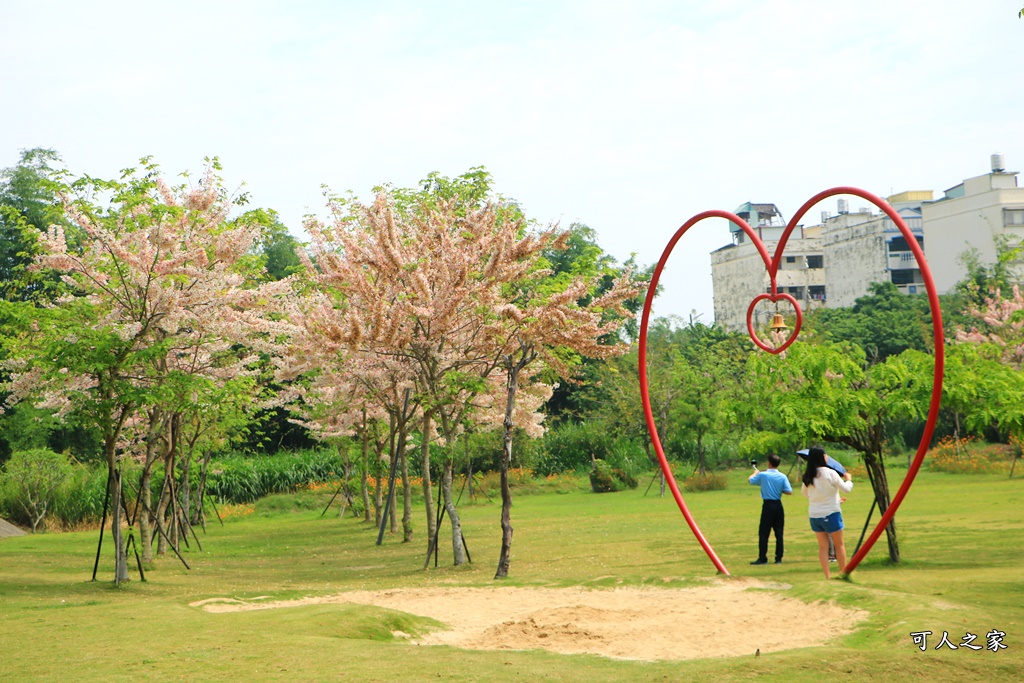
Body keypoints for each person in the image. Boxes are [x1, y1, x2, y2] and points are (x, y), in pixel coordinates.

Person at [800, 446, 854, 579]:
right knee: (839, 545)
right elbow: (846, 489)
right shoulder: (830, 473)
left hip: (814, 515)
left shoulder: (808, 475)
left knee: (823, 547)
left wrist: (834, 500)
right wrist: (849, 479)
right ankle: (843, 573)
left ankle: (827, 576)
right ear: (823, 457)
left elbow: (805, 494)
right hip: (831, 513)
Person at [748, 453, 792, 565]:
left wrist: (755, 472)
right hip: (778, 505)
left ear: (769, 463)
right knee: (779, 533)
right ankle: (778, 558)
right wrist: (778, 490)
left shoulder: (763, 475)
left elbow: (751, 480)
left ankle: (763, 558)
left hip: (767, 505)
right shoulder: (782, 476)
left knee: (764, 532)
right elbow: (789, 491)